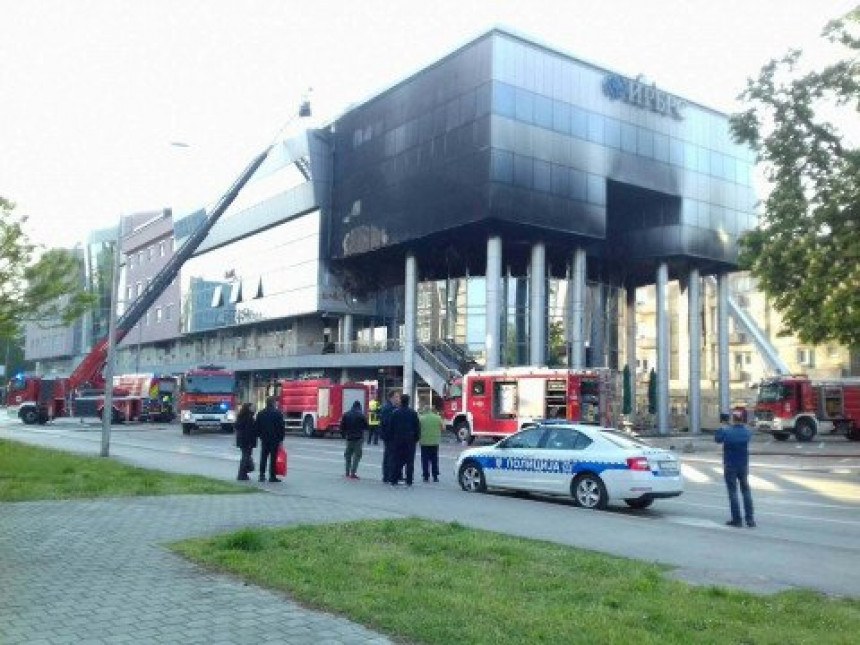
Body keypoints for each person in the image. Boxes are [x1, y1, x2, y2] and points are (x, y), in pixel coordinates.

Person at [715, 411, 756, 528]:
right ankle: (750, 519)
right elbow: (746, 434)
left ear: (732, 419)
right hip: (743, 465)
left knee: (733, 492)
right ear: (742, 419)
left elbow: (717, 439)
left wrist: (723, 427)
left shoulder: (727, 431)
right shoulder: (747, 432)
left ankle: (737, 519)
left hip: (730, 465)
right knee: (746, 491)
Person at [388, 393, 420, 486]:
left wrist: (392, 438)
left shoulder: (395, 412)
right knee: (410, 461)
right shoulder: (413, 413)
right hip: (410, 440)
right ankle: (409, 480)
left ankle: (394, 479)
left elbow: (391, 427)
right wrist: (416, 438)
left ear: (401, 401)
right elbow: (417, 427)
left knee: (397, 459)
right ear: (408, 402)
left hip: (398, 439)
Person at [255, 396, 286, 483]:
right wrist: (281, 439)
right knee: (273, 458)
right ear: (273, 403)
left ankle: (261, 475)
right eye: (275, 402)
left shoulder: (261, 413)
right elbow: (281, 427)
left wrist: (260, 436)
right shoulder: (277, 413)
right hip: (275, 439)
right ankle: (272, 476)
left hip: (264, 438)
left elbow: (257, 426)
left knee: (263, 457)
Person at [341, 400, 368, 479]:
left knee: (348, 455)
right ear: (359, 407)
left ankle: (347, 472)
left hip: (349, 438)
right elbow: (366, 426)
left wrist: (344, 435)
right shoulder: (361, 415)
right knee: (357, 456)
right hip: (358, 439)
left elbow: (342, 427)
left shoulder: (346, 414)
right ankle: (353, 473)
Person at [379, 390, 401, 483]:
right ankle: (388, 476)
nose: (398, 399)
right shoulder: (388, 408)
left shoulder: (392, 407)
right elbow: (388, 423)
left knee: (390, 455)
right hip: (390, 436)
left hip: (389, 436)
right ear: (391, 398)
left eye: (399, 397)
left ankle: (388, 475)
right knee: (390, 456)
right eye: (397, 397)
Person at [418, 402, 443, 483]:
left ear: (424, 410)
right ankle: (435, 476)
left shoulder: (421, 418)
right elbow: (443, 428)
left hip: (424, 442)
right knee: (434, 459)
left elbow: (418, 429)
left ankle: (426, 476)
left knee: (425, 459)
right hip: (435, 442)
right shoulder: (438, 417)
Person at [234, 402, 257, 480]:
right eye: (253, 407)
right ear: (248, 408)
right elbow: (249, 431)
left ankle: (243, 474)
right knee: (246, 457)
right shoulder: (249, 418)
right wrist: (250, 442)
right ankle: (242, 474)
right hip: (247, 441)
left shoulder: (240, 417)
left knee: (246, 456)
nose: (254, 408)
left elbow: (238, 428)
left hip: (241, 440)